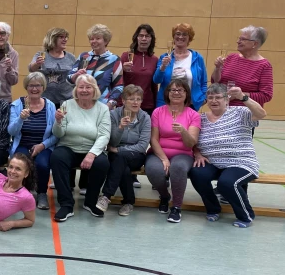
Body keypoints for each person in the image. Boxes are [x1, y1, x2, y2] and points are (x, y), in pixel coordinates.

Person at [189, 84, 266, 228]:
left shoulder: (240, 112)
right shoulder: (202, 118)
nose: (214, 101)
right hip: (213, 162)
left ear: (227, 99)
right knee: (196, 173)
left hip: (241, 162)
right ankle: (213, 209)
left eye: (218, 97)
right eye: (210, 97)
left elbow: (262, 114)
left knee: (226, 183)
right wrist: (198, 153)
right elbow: (194, 140)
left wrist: (243, 97)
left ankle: (246, 216)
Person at [50, 74, 111, 221]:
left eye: (88, 87)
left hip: (92, 149)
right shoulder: (67, 105)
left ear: (94, 89)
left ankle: (90, 202)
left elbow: (104, 135)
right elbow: (59, 133)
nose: (84, 90)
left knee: (102, 163)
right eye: (81, 87)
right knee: (57, 158)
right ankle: (66, 204)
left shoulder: (102, 109)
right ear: (76, 89)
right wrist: (58, 122)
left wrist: (91, 154)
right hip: (68, 147)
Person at [145, 80, 201, 223]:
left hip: (183, 153)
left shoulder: (193, 115)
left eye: (180, 90)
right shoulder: (158, 112)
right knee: (153, 169)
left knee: (178, 167)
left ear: (186, 94)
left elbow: (191, 144)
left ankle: (176, 207)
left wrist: (183, 131)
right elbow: (154, 139)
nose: (176, 93)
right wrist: (163, 158)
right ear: (167, 93)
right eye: (173, 90)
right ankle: (164, 196)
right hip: (159, 151)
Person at [95, 85, 151, 216]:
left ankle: (106, 196)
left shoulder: (145, 118)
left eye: (138, 99)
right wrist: (120, 127)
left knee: (120, 158)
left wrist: (119, 149)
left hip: (135, 155)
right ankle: (128, 202)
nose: (136, 102)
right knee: (123, 168)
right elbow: (111, 141)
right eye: (131, 99)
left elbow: (142, 146)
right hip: (116, 156)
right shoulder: (113, 115)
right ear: (124, 101)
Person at [8, 72, 58, 210]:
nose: (34, 89)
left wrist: (42, 146)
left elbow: (56, 135)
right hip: (22, 144)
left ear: (43, 87)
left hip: (43, 145)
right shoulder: (17, 105)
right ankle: (22, 193)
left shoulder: (50, 106)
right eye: (31, 86)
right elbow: (11, 132)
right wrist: (20, 119)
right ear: (26, 87)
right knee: (21, 165)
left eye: (38, 85)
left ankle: (42, 193)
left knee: (42, 165)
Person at [212, 25, 273, 108]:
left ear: (254, 44)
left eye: (243, 39)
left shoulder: (264, 65)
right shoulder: (231, 57)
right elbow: (215, 82)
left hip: (245, 113)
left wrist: (240, 95)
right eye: (239, 38)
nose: (238, 41)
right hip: (221, 109)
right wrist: (217, 68)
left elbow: (266, 96)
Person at [153, 23, 207, 110]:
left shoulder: (197, 57)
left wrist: (203, 99)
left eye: (184, 34)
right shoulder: (164, 57)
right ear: (174, 37)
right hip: (166, 104)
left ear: (189, 38)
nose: (180, 37)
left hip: (190, 105)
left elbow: (203, 82)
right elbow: (156, 80)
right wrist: (163, 66)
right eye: (178, 34)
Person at [68, 24, 123, 110]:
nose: (94, 41)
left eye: (98, 38)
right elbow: (69, 79)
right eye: (91, 39)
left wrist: (110, 104)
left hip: (103, 106)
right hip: (80, 105)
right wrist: (76, 75)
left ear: (106, 41)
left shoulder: (114, 59)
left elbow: (119, 86)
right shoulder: (84, 56)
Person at [29, 27, 77, 108]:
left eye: (65, 37)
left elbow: (74, 77)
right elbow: (31, 69)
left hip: (66, 101)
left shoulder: (71, 57)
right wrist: (37, 64)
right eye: (61, 37)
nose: (65, 39)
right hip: (45, 100)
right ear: (52, 39)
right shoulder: (41, 55)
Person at [121, 24, 158, 115]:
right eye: (141, 36)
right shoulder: (126, 56)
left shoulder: (155, 59)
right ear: (136, 38)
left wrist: (156, 106)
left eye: (147, 36)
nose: (144, 39)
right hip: (128, 104)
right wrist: (122, 70)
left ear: (151, 39)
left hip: (147, 105)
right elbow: (117, 80)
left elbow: (154, 85)